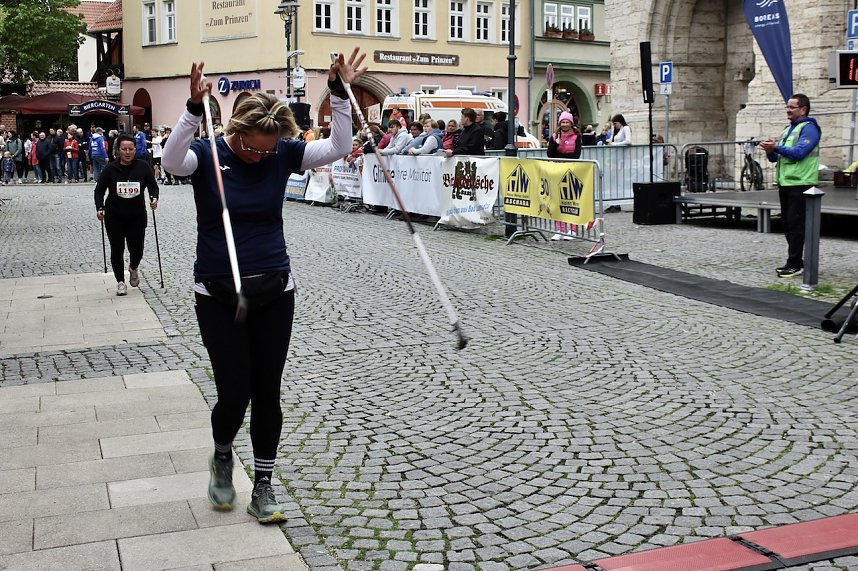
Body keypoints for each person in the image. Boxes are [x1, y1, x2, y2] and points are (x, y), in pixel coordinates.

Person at [160, 48, 366, 524]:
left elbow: (336, 147)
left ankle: (265, 485)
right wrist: (193, 111)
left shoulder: (281, 153)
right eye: (253, 147)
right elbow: (171, 161)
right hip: (218, 293)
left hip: (275, 288)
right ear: (234, 131)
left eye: (267, 148)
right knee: (235, 391)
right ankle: (223, 454)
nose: (260, 155)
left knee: (267, 391)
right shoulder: (208, 154)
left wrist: (339, 93)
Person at [759, 93, 821, 278]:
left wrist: (776, 147)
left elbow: (800, 152)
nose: (788, 110)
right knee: (787, 223)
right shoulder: (788, 130)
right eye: (787, 106)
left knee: (796, 225)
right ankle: (794, 261)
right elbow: (777, 157)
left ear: (803, 109)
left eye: (792, 107)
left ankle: (795, 263)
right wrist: (771, 151)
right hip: (787, 183)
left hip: (801, 183)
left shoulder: (810, 129)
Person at [94, 134, 159, 296]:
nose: (128, 152)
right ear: (118, 151)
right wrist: (99, 207)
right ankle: (120, 282)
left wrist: (154, 197)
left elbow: (153, 186)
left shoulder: (143, 167)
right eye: (124, 149)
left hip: (136, 215)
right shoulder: (110, 169)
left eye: (131, 149)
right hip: (114, 216)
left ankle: (133, 267)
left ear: (136, 150)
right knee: (117, 249)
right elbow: (99, 190)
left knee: (137, 249)